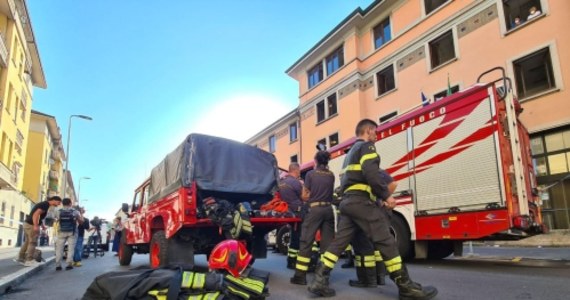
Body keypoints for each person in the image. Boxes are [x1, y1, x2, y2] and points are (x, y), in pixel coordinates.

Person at [308, 119, 437, 299]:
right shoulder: (367, 147)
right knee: (386, 240)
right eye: (375, 132)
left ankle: (319, 280)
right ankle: (406, 286)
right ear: (368, 131)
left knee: (338, 244)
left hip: (348, 204)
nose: (376, 136)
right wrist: (386, 196)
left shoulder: (350, 154)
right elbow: (372, 174)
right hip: (361, 203)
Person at [290, 150, 335, 285]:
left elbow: (304, 196)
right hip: (328, 210)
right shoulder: (331, 175)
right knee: (326, 245)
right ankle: (323, 278)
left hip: (314, 210)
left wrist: (311, 195)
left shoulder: (310, 174)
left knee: (306, 242)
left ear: (315, 161)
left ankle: (300, 277)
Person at [16, 196, 62, 267]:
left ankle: (20, 258)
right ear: (54, 200)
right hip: (31, 225)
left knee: (27, 241)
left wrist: (42, 225)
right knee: (32, 242)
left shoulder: (44, 204)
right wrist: (36, 225)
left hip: (27, 223)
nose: (58, 204)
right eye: (58, 202)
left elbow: (39, 217)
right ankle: (29, 260)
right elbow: (36, 214)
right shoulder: (45, 205)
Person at [279, 162, 305, 269]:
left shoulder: (282, 182)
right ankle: (293, 261)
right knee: (298, 237)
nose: (299, 173)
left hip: (287, 212)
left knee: (294, 235)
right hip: (298, 212)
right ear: (295, 170)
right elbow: (303, 197)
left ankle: (291, 259)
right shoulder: (296, 183)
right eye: (299, 171)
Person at [55, 198, 83, 271]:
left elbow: (56, 220)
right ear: (70, 203)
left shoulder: (58, 211)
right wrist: (79, 217)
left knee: (59, 249)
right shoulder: (75, 212)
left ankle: (58, 265)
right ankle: (69, 264)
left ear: (62, 203)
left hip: (61, 231)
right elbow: (81, 222)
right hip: (72, 232)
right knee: (71, 249)